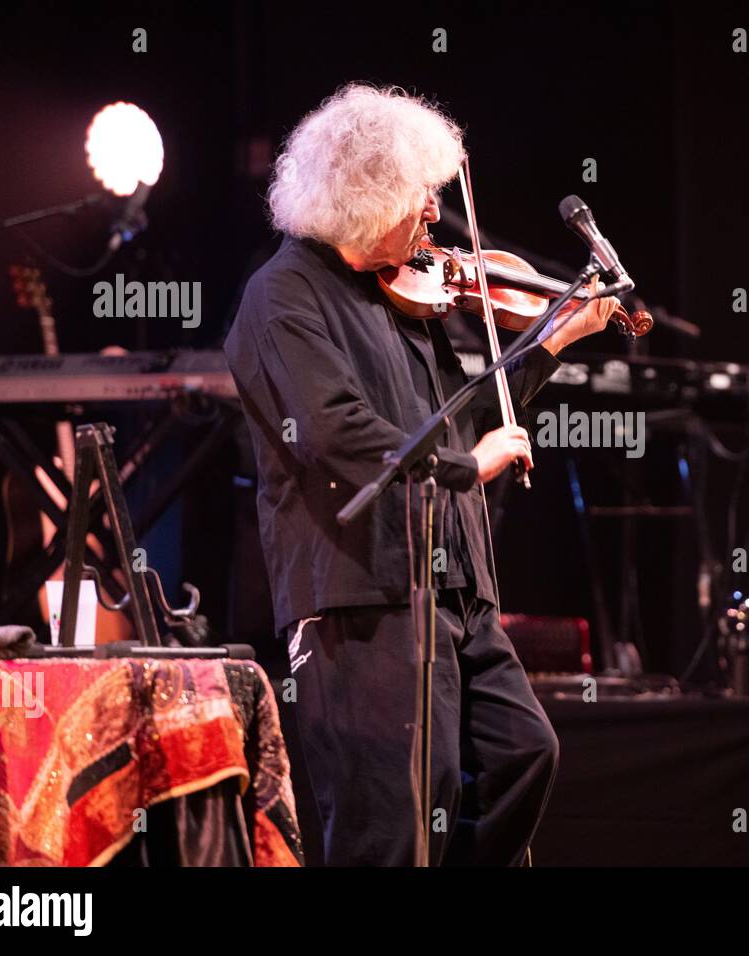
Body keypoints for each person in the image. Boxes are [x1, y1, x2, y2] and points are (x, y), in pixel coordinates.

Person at [224, 83, 620, 866]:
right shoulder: (282, 297)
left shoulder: (404, 292)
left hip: (453, 587)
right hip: (361, 595)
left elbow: (462, 418)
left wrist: (549, 344)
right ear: (363, 198)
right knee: (392, 823)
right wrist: (465, 466)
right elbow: (334, 433)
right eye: (419, 198)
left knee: (519, 756)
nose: (435, 217)